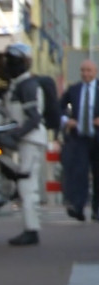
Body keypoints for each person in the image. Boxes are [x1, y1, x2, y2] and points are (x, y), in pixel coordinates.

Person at [0, 43, 47, 245]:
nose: (9, 65)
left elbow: (34, 118)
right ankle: (30, 227)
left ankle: (31, 229)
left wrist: (15, 134)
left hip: (30, 141)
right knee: (22, 180)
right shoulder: (18, 85)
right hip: (25, 140)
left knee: (27, 184)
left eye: (13, 61)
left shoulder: (27, 86)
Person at [59, 59, 99, 221]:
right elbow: (59, 107)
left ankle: (97, 209)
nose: (85, 74)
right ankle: (78, 207)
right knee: (79, 172)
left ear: (95, 72)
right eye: (83, 70)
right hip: (79, 137)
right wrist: (66, 121)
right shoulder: (74, 89)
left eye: (89, 70)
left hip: (97, 137)